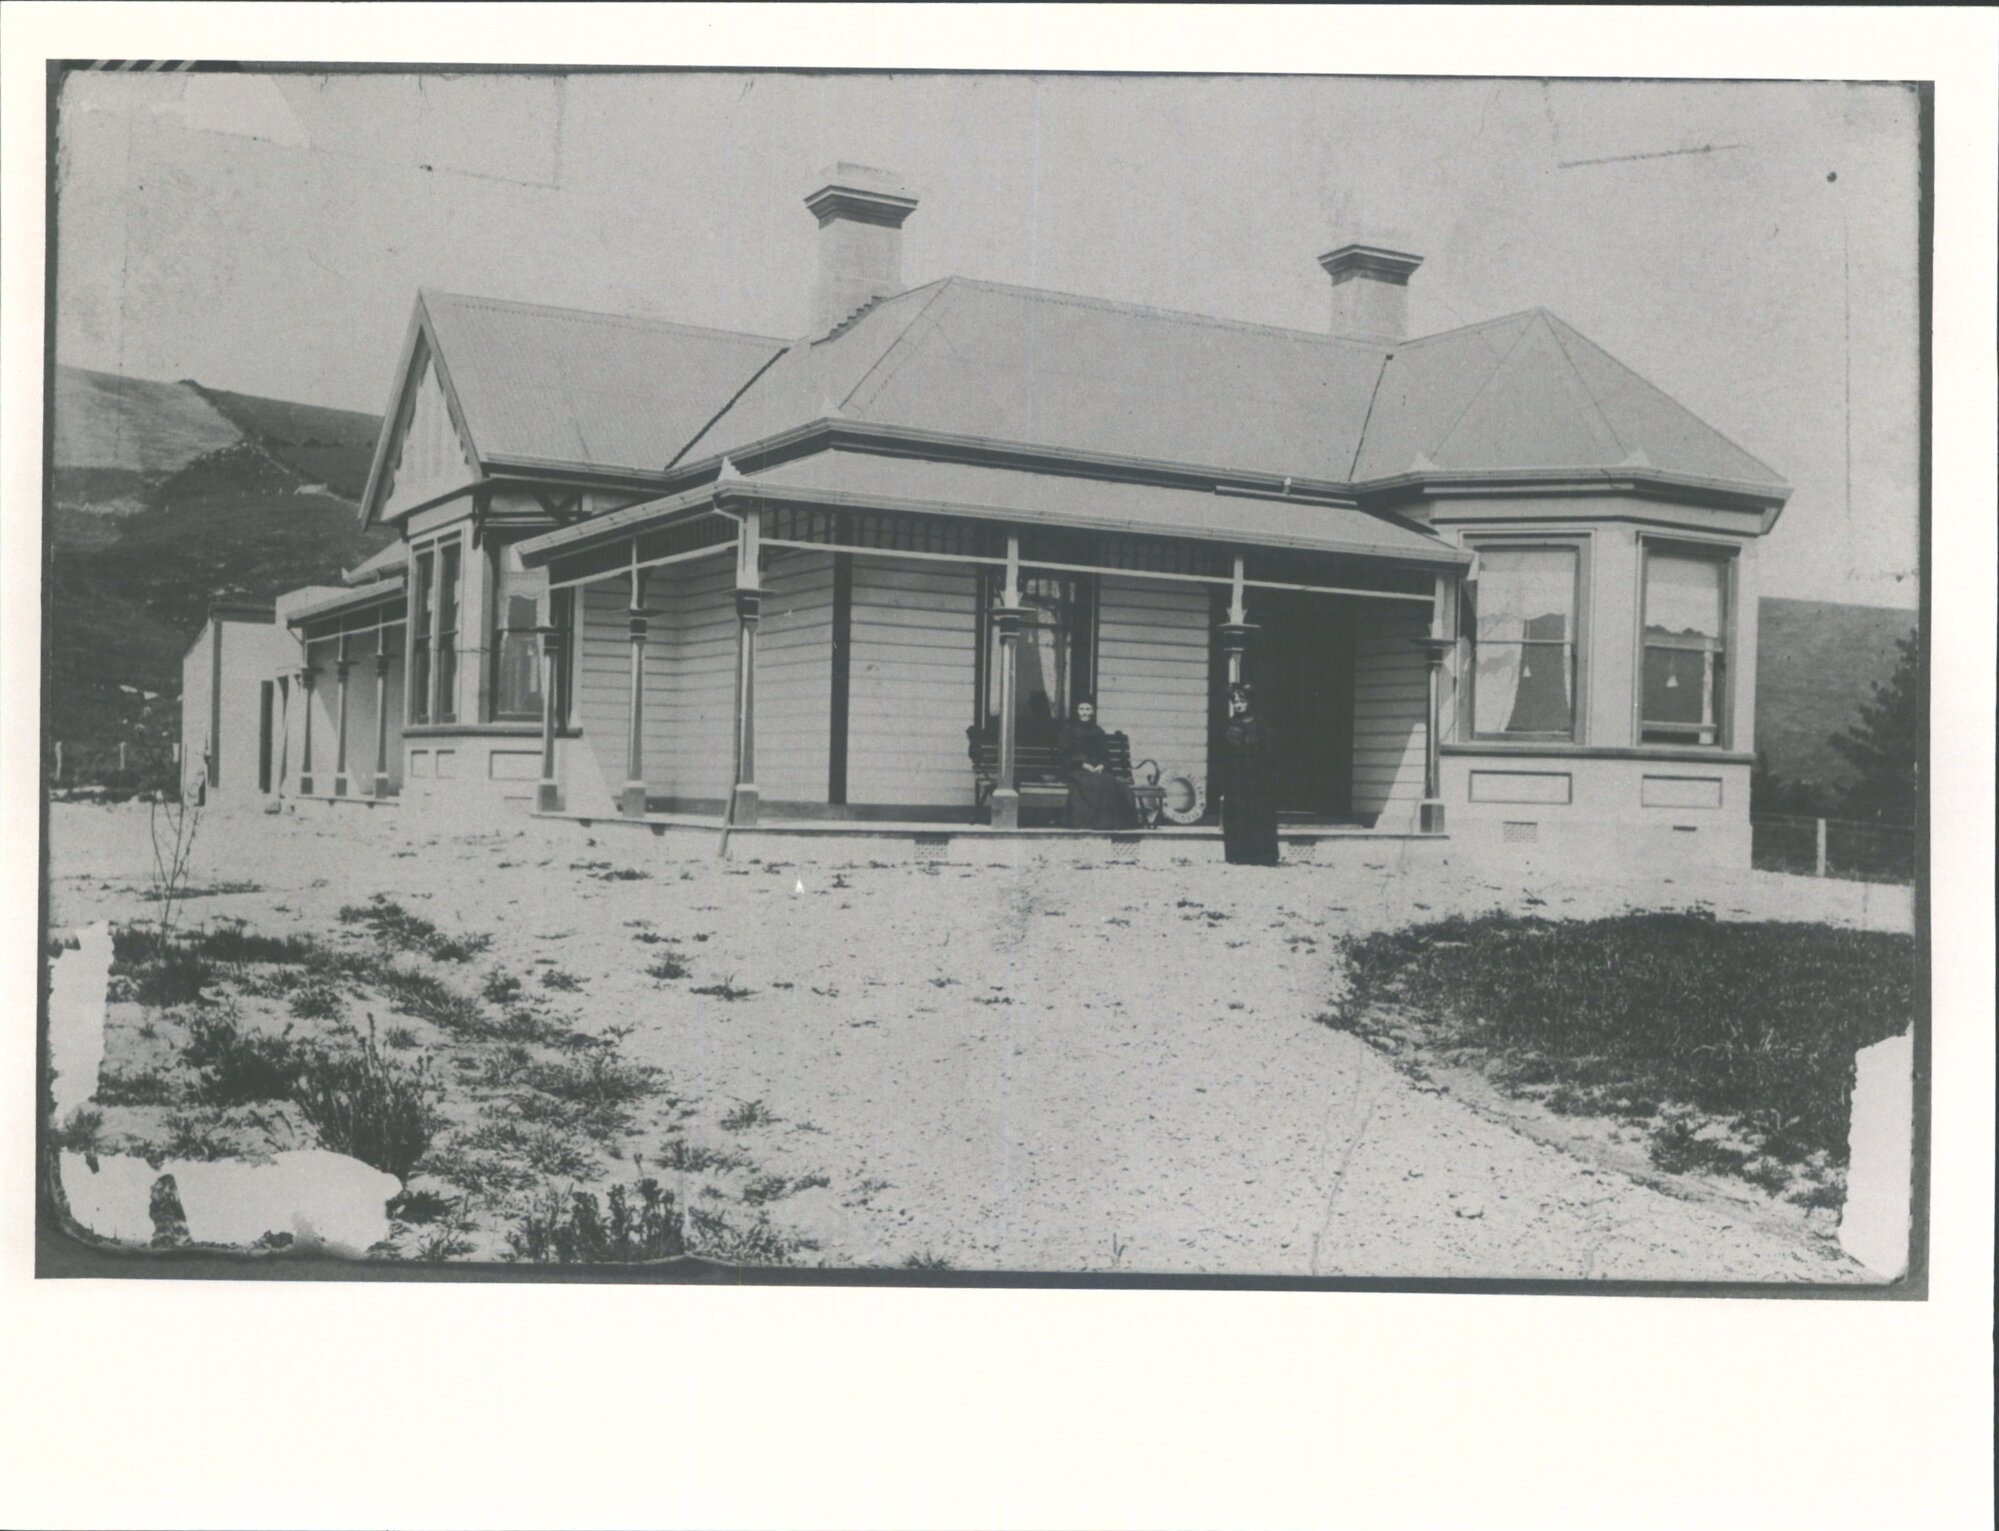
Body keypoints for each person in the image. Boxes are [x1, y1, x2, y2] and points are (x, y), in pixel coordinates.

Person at [1219, 681, 1279, 865]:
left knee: (1259, 814)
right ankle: (1238, 855)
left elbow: (1270, 753)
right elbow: (1222, 755)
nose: (1238, 705)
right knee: (1237, 814)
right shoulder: (1229, 725)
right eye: (1235, 701)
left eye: (1242, 701)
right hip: (1236, 778)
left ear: (1250, 702)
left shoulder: (1262, 726)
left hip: (1258, 778)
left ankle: (1262, 856)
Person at [1056, 698, 1139, 830]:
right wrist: (1082, 765)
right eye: (1081, 709)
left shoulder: (1098, 731)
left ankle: (1107, 822)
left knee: (1108, 780)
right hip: (1075, 769)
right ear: (1077, 711)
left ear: (1093, 711)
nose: (1084, 713)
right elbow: (1064, 755)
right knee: (1090, 782)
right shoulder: (1069, 730)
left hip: (1096, 770)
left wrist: (1102, 765)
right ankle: (1091, 821)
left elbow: (1105, 754)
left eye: (1088, 709)